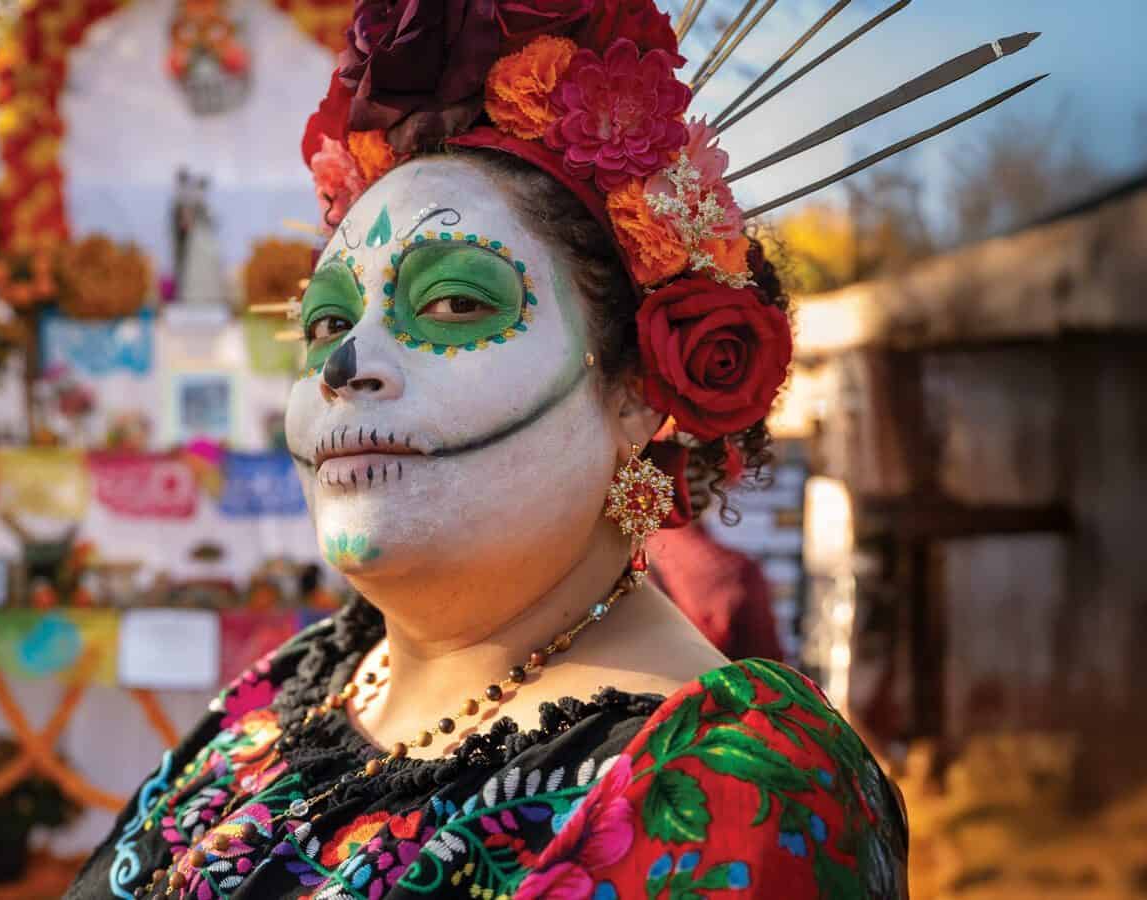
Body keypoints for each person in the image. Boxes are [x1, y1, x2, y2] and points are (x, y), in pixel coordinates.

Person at [67, 2, 919, 896]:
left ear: (636, 389)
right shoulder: (302, 677)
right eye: (324, 323)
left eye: (454, 305)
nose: (345, 365)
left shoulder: (738, 793)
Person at [649, 522, 786, 662]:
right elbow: (766, 659)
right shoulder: (739, 571)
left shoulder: (640, 554)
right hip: (716, 674)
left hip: (653, 672)